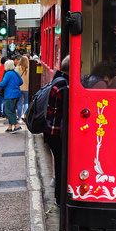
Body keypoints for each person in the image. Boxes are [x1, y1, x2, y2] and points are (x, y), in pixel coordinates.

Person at [44, 55, 69, 205]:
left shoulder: (56, 81)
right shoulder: (64, 86)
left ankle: (58, 196)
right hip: (57, 131)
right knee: (62, 164)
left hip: (51, 130)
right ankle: (60, 197)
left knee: (59, 163)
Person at [0, 59, 23, 132]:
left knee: (8, 111)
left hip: (10, 95)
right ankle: (10, 127)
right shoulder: (16, 73)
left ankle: (17, 126)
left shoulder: (8, 73)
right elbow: (21, 82)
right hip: (17, 94)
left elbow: (3, 83)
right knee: (12, 111)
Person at [16, 54, 30, 120]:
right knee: (26, 103)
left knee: (19, 103)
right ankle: (25, 116)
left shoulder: (17, 68)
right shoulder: (29, 68)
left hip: (19, 88)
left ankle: (19, 118)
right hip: (27, 88)